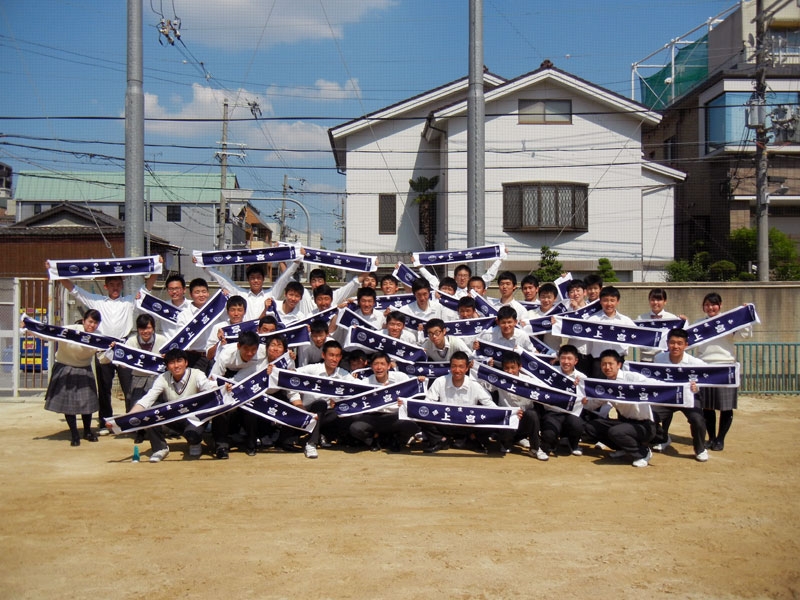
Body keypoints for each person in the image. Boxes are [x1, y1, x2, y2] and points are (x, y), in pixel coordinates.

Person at [57, 270, 159, 431]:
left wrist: (157, 267)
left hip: (123, 349)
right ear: (106, 287)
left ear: (122, 286)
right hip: (103, 348)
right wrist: (57, 270)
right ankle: (105, 422)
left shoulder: (129, 301)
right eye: (111, 285)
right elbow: (73, 289)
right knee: (104, 388)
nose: (115, 288)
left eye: (118, 284)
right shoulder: (97, 301)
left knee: (129, 388)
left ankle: (129, 421)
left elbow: (147, 286)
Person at [110, 348, 220, 461]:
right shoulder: (163, 378)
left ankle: (195, 442)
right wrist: (128, 417)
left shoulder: (197, 374)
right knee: (151, 410)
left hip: (194, 419)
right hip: (174, 417)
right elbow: (148, 398)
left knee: (192, 435)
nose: (176, 366)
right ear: (167, 366)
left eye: (179, 361)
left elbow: (208, 386)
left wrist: (220, 387)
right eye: (172, 363)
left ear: (186, 362)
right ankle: (160, 448)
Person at [692, 292, 749, 452]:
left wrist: (745, 317)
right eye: (707, 304)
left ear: (720, 305)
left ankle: (720, 438)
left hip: (725, 367)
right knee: (707, 407)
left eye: (714, 304)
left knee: (726, 407)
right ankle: (711, 438)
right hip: (705, 367)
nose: (710, 307)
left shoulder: (729, 321)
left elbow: (743, 335)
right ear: (703, 306)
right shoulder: (699, 323)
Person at [582, 350, 656, 468]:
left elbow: (657, 385)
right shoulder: (605, 386)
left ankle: (642, 453)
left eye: (610, 364)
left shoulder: (633, 377)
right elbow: (593, 404)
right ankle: (624, 448)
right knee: (592, 426)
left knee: (616, 432)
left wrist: (686, 388)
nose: (607, 367)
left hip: (644, 425)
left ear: (618, 365)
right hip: (625, 422)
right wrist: (585, 401)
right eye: (603, 364)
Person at [41, 309, 103, 446]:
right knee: (69, 404)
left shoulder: (99, 337)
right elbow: (48, 334)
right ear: (84, 321)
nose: (92, 325)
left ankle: (87, 431)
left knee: (87, 402)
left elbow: (104, 357)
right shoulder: (69, 330)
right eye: (90, 322)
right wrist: (29, 328)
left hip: (84, 368)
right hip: (65, 366)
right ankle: (74, 434)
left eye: (96, 323)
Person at [420, 351, 497, 453]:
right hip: (444, 424)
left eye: (461, 367)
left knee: (492, 417)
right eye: (454, 366)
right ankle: (440, 440)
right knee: (420, 412)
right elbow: (427, 402)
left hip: (468, 426)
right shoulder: (440, 381)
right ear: (450, 367)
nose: (457, 370)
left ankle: (472, 440)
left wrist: (510, 414)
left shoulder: (475, 385)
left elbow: (491, 406)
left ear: (467, 368)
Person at [649, 328, 707, 462]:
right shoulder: (659, 358)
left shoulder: (696, 363)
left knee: (698, 420)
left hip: (689, 398)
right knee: (649, 415)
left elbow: (706, 378)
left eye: (679, 343)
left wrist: (696, 387)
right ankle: (663, 437)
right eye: (672, 343)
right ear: (667, 343)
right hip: (667, 398)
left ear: (686, 345)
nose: (675, 346)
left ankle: (700, 449)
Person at [292, 340, 357, 458]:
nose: (334, 359)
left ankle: (325, 435)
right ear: (323, 355)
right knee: (320, 404)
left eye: (337, 356)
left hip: (327, 414)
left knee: (344, 410)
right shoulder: (313, 369)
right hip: (308, 411)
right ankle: (311, 443)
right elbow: (291, 374)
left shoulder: (343, 374)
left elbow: (357, 387)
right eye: (331, 355)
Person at [209, 330, 267, 459]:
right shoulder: (225, 356)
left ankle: (251, 443)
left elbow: (280, 354)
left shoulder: (263, 350)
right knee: (221, 409)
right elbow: (211, 380)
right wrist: (223, 387)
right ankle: (221, 446)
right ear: (239, 346)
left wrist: (290, 356)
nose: (250, 353)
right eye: (246, 349)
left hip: (249, 379)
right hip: (226, 379)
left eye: (253, 350)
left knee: (251, 406)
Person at [347, 352, 420, 452]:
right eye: (376, 364)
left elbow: (411, 394)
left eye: (382, 364)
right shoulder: (366, 382)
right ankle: (373, 441)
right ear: (371, 366)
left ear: (389, 366)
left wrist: (404, 402)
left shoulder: (400, 377)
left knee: (412, 426)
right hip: (373, 417)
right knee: (355, 428)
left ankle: (396, 440)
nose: (379, 367)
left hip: (394, 416)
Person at [201, 259, 300, 321]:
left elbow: (284, 278)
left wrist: (296, 262)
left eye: (258, 277)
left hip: (263, 339)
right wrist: (204, 266)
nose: (256, 281)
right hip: (245, 338)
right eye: (252, 278)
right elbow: (223, 280)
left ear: (263, 279)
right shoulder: (240, 294)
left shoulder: (270, 294)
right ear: (248, 279)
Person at [493, 352, 547, 460]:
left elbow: (546, 393)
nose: (510, 371)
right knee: (505, 426)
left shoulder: (529, 381)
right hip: (507, 419)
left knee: (532, 414)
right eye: (506, 368)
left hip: (524, 420)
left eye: (513, 368)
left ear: (520, 367)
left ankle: (535, 448)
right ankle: (506, 443)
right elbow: (483, 384)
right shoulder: (499, 379)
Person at [539, 344, 586, 457]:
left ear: (576, 361)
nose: (566, 362)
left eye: (569, 359)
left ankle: (573, 444)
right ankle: (553, 443)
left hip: (572, 414)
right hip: (553, 412)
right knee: (549, 435)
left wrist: (581, 394)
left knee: (577, 424)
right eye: (563, 358)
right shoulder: (550, 372)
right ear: (559, 359)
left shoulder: (582, 377)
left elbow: (586, 400)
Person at [585, 286, 635, 377]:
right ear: (600, 301)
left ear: (617, 301)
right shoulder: (592, 320)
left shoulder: (625, 321)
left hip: (619, 362)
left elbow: (639, 336)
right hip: (598, 363)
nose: (609, 303)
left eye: (612, 300)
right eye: (605, 300)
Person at [636, 288, 685, 363]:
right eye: (652, 300)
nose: (655, 302)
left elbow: (682, 336)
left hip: (665, 359)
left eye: (659, 300)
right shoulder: (641, 318)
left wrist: (684, 322)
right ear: (649, 301)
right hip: (645, 359)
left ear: (665, 301)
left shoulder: (672, 318)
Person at [206, 295, 247, 362]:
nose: (236, 314)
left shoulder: (248, 328)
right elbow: (209, 355)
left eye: (239, 310)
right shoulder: (219, 327)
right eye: (232, 310)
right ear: (227, 312)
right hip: (221, 366)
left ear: (244, 312)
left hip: (242, 368)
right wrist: (219, 342)